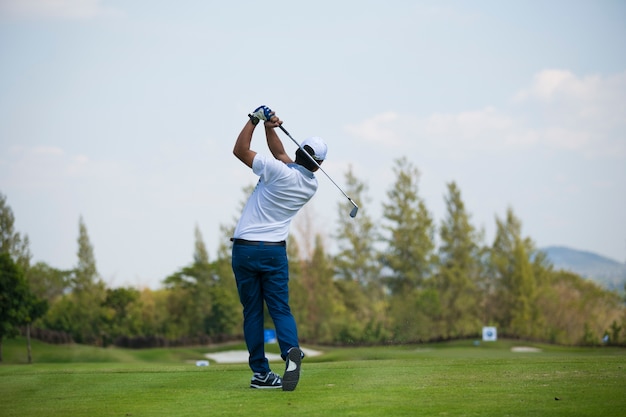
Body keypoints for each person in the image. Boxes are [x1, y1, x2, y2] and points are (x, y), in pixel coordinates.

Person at [231, 105, 328, 391]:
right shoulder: (310, 185)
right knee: (281, 309)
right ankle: (290, 352)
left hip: (246, 248)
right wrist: (269, 127)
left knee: (253, 312)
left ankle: (261, 373)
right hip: (274, 252)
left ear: (299, 152)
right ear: (318, 164)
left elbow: (240, 150)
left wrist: (254, 119)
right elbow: (281, 155)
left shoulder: (278, 170)